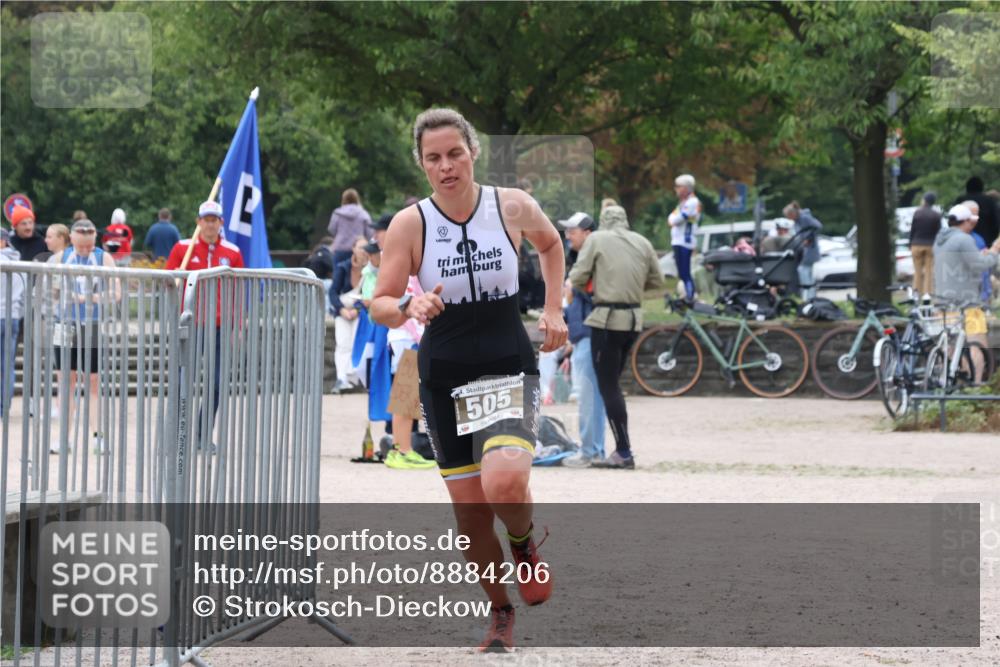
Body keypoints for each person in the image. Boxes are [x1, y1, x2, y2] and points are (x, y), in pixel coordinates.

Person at [370, 108, 567, 652]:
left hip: (506, 360)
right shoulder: (410, 225)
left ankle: (524, 544)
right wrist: (410, 303)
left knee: (504, 482)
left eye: (454, 153)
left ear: (472, 151)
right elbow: (378, 303)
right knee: (471, 517)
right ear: (423, 165)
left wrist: (553, 308)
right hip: (445, 374)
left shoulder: (511, 205)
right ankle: (500, 611)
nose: (446, 166)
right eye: (433, 158)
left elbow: (552, 245)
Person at [569, 204, 662, 470]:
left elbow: (577, 277)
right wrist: (629, 285)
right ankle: (619, 448)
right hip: (633, 320)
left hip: (606, 320)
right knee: (612, 385)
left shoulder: (597, 239)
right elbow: (657, 280)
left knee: (608, 386)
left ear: (603, 221)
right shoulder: (642, 242)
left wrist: (604, 283)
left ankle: (623, 451)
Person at [165, 201, 245, 449]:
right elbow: (168, 281)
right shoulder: (182, 248)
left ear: (220, 223)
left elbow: (240, 290)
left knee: (217, 382)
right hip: (190, 323)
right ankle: (177, 436)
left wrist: (239, 324)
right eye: (206, 219)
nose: (210, 224)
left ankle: (202, 435)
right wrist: (174, 276)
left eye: (214, 220)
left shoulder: (232, 252)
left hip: (221, 326)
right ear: (198, 222)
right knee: (182, 381)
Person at [47, 218, 119, 454]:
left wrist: (93, 299)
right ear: (72, 240)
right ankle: (64, 438)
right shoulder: (62, 257)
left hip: (93, 324)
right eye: (81, 247)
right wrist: (62, 298)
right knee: (66, 380)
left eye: (89, 247)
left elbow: (116, 291)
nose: (85, 251)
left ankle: (97, 436)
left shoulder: (103, 257)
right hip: (65, 324)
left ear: (95, 240)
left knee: (94, 382)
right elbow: (50, 291)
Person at [557, 212, 607, 468]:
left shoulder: (593, 261)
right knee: (594, 394)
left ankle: (590, 451)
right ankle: (595, 449)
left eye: (572, 231)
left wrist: (571, 288)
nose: (568, 235)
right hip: (584, 333)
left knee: (589, 394)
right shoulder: (583, 259)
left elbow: (592, 296)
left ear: (587, 233)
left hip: (589, 333)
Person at [933, 204, 1000, 375]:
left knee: (951, 345)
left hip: (944, 303)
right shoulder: (964, 239)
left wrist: (980, 256)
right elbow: (980, 266)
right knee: (978, 344)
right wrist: (994, 250)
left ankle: (956, 382)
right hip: (967, 304)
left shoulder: (940, 241)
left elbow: (961, 265)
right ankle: (976, 386)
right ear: (967, 222)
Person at [329, 236, 367, 392]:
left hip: (360, 311)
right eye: (360, 247)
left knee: (356, 342)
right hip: (342, 310)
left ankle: (355, 376)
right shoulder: (343, 267)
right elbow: (333, 292)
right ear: (353, 249)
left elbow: (369, 293)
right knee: (343, 343)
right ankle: (341, 378)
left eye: (365, 248)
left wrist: (357, 310)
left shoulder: (370, 270)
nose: (363, 251)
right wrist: (342, 309)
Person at [0, 230, 26, 417]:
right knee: (7, 364)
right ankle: (3, 406)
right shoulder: (19, 262)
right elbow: (25, 296)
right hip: (13, 316)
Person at [667, 174, 701, 299]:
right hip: (677, 241)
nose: (676, 189)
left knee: (685, 273)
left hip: (685, 241)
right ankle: (686, 295)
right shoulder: (682, 203)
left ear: (686, 188)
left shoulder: (692, 202)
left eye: (678, 186)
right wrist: (673, 219)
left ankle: (690, 296)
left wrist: (673, 219)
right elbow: (671, 218)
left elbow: (677, 220)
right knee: (681, 273)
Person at [782, 201, 823, 300]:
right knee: (807, 271)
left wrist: (808, 238)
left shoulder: (804, 218)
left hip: (810, 249)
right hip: (805, 249)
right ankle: (810, 295)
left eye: (788, 216)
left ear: (793, 214)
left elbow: (817, 226)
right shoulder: (798, 220)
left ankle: (808, 294)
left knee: (803, 269)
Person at [328, 188, 373, 265]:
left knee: (338, 275)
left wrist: (340, 235)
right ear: (357, 199)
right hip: (357, 249)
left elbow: (331, 229)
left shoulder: (337, 213)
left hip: (340, 247)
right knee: (354, 275)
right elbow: (370, 232)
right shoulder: (363, 213)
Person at [960, 200, 993, 306]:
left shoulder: (979, 239)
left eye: (976, 215)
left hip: (981, 296)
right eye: (972, 215)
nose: (975, 219)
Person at [909, 192, 941, 296]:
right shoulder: (936, 215)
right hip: (930, 245)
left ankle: (916, 293)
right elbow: (938, 232)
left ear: (925, 200)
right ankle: (928, 295)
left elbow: (912, 230)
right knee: (929, 272)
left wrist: (911, 243)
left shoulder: (917, 213)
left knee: (917, 271)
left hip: (916, 244)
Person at [954, 177, 998, 247]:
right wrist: (991, 241)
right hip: (986, 242)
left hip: (962, 243)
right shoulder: (990, 201)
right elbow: (996, 223)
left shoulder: (960, 200)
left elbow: (953, 221)